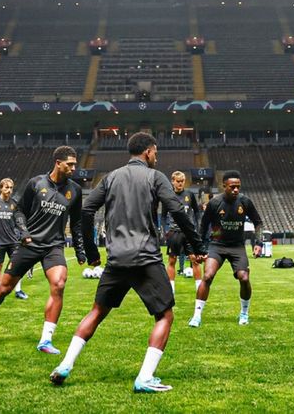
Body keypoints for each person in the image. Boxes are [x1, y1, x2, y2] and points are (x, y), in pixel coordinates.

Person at [49, 133, 206, 393]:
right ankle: (145, 377)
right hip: (145, 258)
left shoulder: (111, 177)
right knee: (165, 315)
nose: (156, 157)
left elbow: (87, 210)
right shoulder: (156, 177)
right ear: (148, 152)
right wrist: (199, 246)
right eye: (156, 153)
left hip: (116, 259)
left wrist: (92, 251)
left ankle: (65, 365)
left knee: (97, 312)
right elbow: (177, 210)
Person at [0, 146, 86, 355]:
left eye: (75, 164)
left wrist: (80, 250)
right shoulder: (36, 183)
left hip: (54, 246)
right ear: (58, 163)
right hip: (29, 244)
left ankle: (46, 340)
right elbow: (19, 211)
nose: (74, 168)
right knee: (4, 289)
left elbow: (76, 223)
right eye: (70, 164)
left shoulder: (75, 190)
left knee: (59, 284)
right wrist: (24, 232)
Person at [189, 170, 262, 327]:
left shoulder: (245, 202)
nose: (236, 190)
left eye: (238, 187)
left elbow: (258, 222)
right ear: (224, 186)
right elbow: (203, 226)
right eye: (232, 187)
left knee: (244, 278)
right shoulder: (215, 203)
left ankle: (244, 313)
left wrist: (258, 243)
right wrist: (199, 249)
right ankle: (196, 316)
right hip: (217, 245)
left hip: (237, 246)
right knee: (207, 276)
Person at [162, 170, 203, 294]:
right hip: (174, 232)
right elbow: (163, 216)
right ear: (173, 182)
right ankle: (171, 291)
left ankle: (199, 290)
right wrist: (165, 230)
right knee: (172, 260)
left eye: (182, 181)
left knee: (194, 259)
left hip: (189, 232)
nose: (180, 183)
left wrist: (197, 227)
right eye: (178, 181)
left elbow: (197, 212)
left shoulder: (190, 195)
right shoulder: (168, 196)